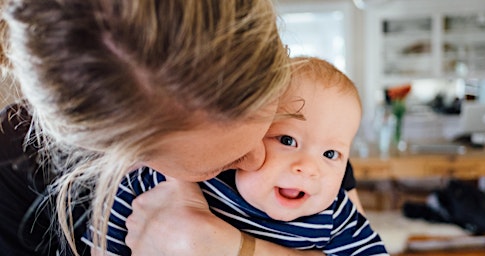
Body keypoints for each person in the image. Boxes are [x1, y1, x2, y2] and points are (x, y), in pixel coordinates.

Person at [0, 0, 326, 255]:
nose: (261, 159)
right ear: (115, 151)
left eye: (272, 125)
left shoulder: (304, 110)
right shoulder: (13, 179)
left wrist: (237, 249)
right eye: (219, 164)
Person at [91, 57, 388, 255]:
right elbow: (103, 243)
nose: (309, 168)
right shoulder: (178, 177)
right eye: (287, 140)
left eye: (330, 153)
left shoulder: (333, 215)